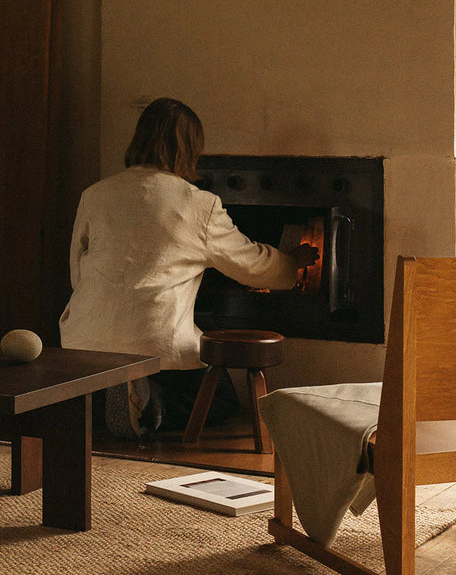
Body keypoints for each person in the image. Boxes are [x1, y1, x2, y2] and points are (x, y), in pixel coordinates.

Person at [59, 97, 319, 439]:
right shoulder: (198, 205)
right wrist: (292, 264)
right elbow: (253, 265)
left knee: (195, 326)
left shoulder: (95, 194)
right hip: (152, 345)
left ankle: (103, 405)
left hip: (83, 341)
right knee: (221, 402)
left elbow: (77, 271)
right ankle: (150, 407)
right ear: (190, 148)